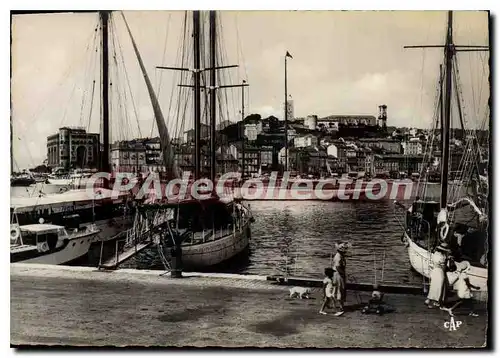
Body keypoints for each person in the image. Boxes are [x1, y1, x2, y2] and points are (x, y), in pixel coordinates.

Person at [425, 242, 451, 308]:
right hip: (439, 271)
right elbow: (444, 266)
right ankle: (435, 302)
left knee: (434, 285)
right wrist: (448, 259)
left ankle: (429, 299)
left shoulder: (435, 254)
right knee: (439, 287)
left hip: (434, 271)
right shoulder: (442, 256)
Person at [332, 242, 349, 315]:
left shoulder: (341, 256)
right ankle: (340, 306)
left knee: (340, 289)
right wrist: (343, 274)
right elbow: (338, 267)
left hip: (339, 274)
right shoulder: (338, 256)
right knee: (340, 289)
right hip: (338, 274)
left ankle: (340, 305)